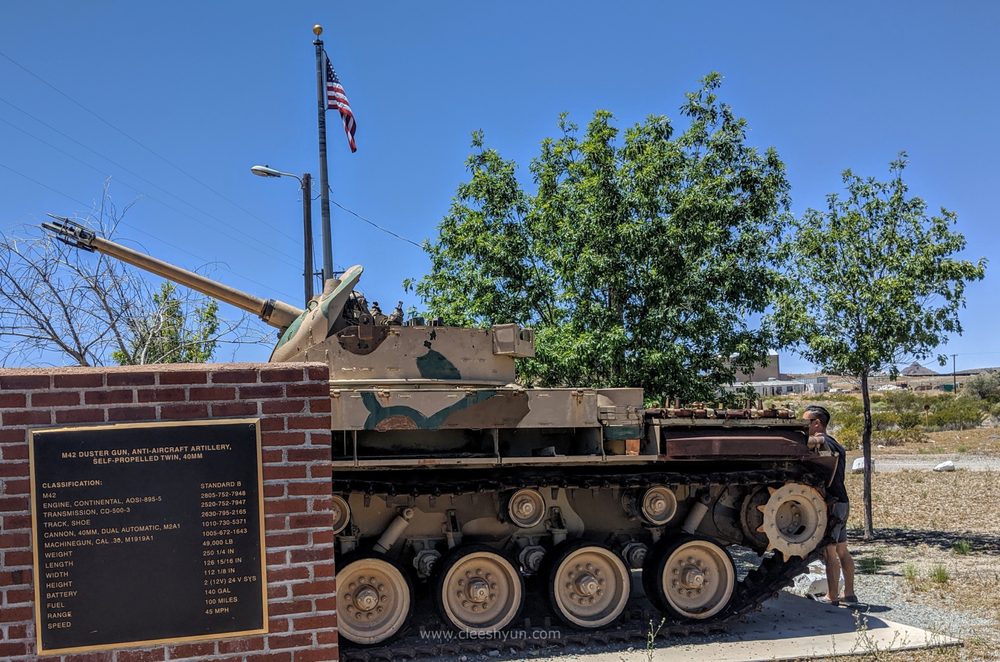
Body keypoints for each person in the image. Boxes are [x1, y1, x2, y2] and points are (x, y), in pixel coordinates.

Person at [803, 404, 857, 606]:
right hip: (842, 500)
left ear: (817, 423)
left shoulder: (822, 442)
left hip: (833, 502)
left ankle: (832, 596)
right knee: (842, 549)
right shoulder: (835, 443)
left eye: (805, 422)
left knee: (830, 551)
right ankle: (849, 594)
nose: (803, 426)